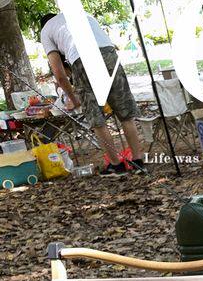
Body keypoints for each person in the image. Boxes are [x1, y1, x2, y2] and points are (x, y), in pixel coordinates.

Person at [39, 11, 146, 175]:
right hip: (109, 54)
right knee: (125, 112)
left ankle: (116, 165)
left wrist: (74, 99)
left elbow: (59, 74)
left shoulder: (46, 30)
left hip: (81, 59)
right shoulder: (82, 14)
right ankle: (138, 162)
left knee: (97, 119)